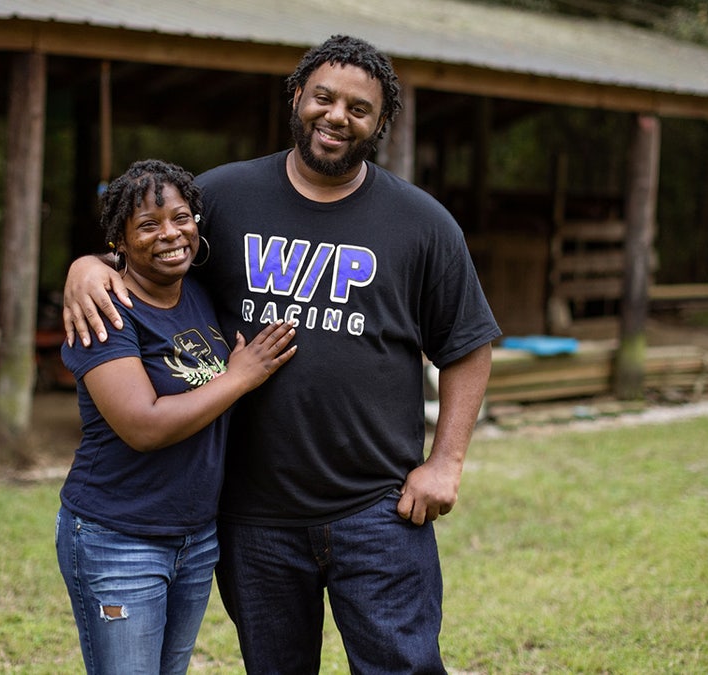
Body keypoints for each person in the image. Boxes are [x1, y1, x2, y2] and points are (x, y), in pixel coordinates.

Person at [63, 36, 501, 674]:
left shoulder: (421, 223)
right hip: (252, 516)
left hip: (378, 510)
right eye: (323, 97)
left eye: (358, 108)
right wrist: (87, 265)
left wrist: (447, 463)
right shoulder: (226, 198)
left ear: (381, 123)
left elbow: (468, 343)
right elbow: (156, 245)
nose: (336, 116)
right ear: (297, 97)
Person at [55, 159, 297, 675]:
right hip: (119, 537)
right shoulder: (106, 313)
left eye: (181, 217)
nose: (170, 234)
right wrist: (238, 377)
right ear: (119, 241)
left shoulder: (200, 293)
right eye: (147, 224)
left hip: (195, 538)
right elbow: (142, 425)